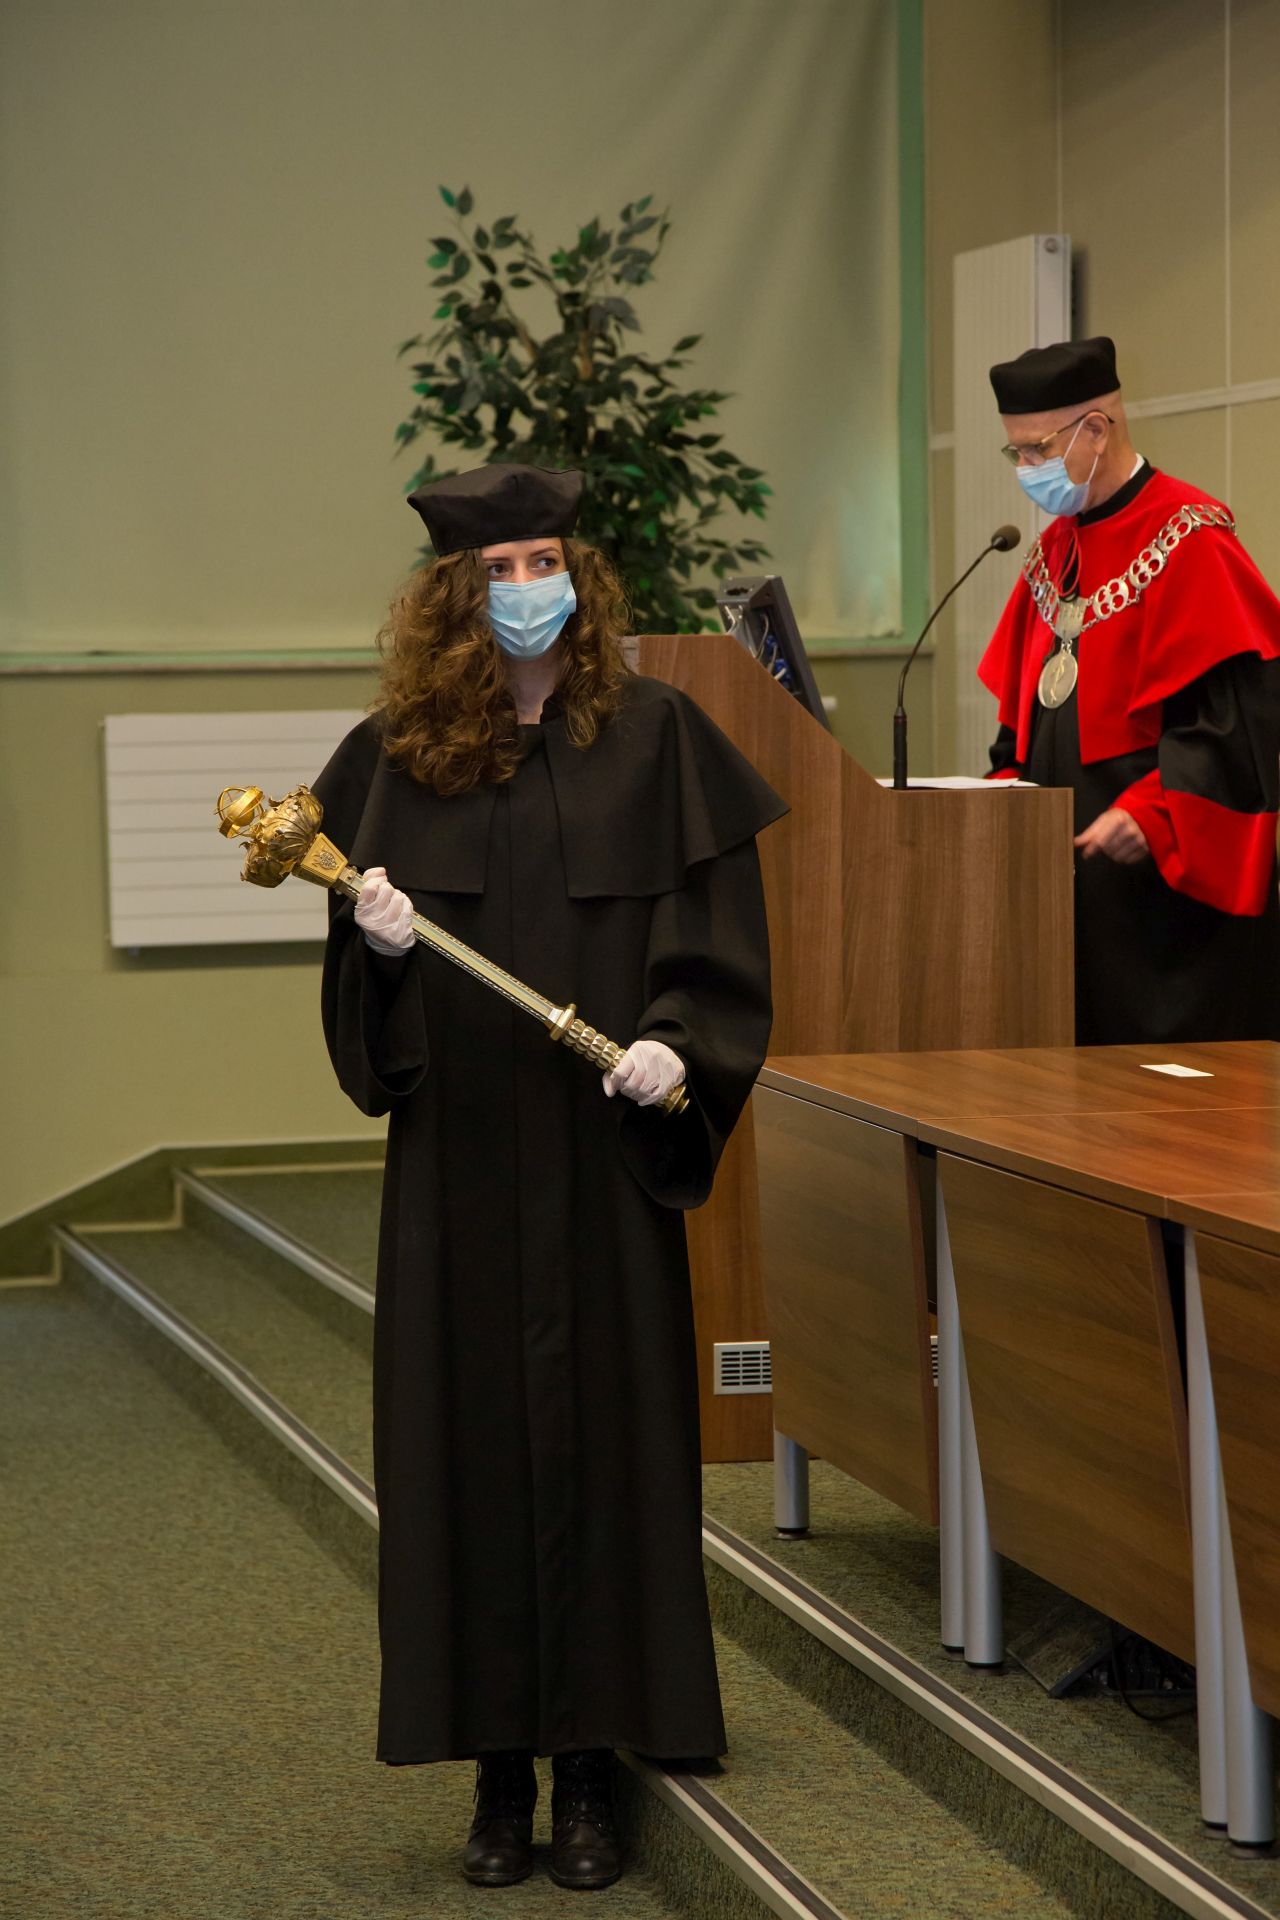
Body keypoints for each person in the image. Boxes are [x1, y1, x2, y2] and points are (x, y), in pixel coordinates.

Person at [310, 463, 785, 1892]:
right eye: (501, 570)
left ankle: (588, 1769)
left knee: (607, 1445)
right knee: (464, 1452)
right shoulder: (392, 759)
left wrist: (675, 1043)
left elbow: (721, 941)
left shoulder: (658, 738)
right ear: (454, 597)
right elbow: (363, 1031)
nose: (530, 591)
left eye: (547, 563)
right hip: (457, 1166)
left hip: (596, 1164)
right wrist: (378, 957)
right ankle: (495, 1772)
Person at [980, 335, 1280, 1043]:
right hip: (1069, 891)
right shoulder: (1053, 552)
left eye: (1036, 449)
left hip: (1167, 904)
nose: (1026, 469)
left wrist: (1151, 813)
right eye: (1015, 452)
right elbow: (1023, 720)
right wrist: (1001, 794)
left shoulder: (1190, 536)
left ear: (1096, 428)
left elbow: (1238, 723)